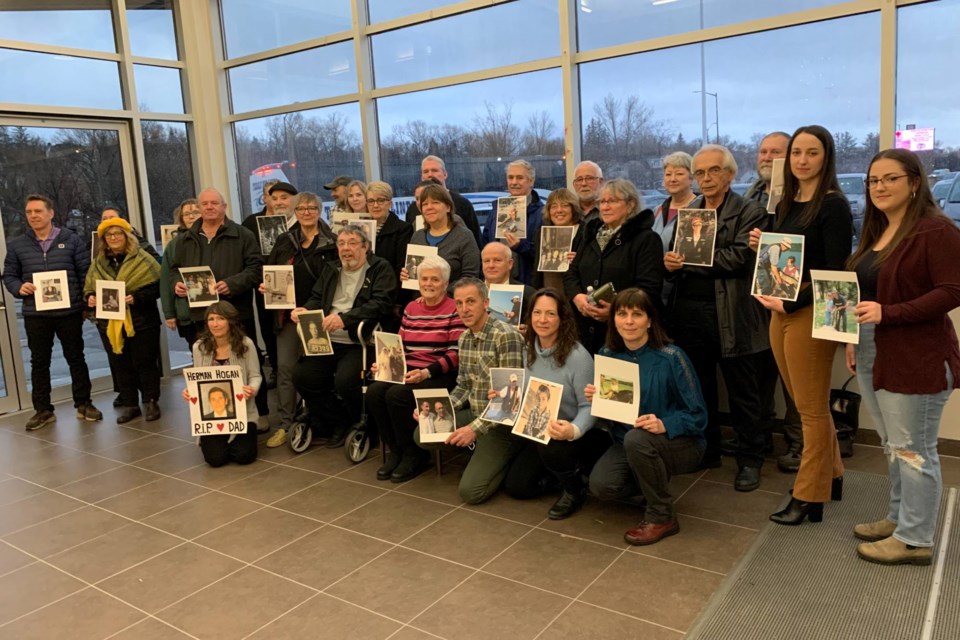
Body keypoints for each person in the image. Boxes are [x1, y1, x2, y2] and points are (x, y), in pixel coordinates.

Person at [843, 149, 960, 564]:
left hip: (918, 355)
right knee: (893, 445)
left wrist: (888, 314)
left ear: (914, 183)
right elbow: (866, 294)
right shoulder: (876, 231)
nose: (879, 187)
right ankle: (899, 517)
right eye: (874, 180)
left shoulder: (934, 230)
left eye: (889, 179)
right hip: (875, 347)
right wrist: (852, 338)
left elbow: (952, 291)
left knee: (914, 448)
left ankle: (915, 539)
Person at [750, 125, 853, 525]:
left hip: (811, 309)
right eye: (796, 154)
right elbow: (786, 257)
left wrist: (791, 300)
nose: (803, 161)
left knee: (809, 409)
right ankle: (834, 474)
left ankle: (809, 496)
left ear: (826, 157)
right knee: (803, 400)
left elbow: (835, 275)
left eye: (812, 153)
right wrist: (765, 244)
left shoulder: (834, 206)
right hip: (780, 308)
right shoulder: (786, 203)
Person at [662, 144, 770, 492]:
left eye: (713, 171)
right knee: (700, 388)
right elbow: (679, 254)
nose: (706, 179)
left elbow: (739, 259)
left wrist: (690, 263)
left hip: (732, 313)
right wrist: (671, 264)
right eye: (701, 173)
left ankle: (750, 460)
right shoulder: (691, 209)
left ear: (730, 174)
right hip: (690, 313)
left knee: (743, 393)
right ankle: (707, 450)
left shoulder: (749, 211)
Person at [587, 288, 707, 545]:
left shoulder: (672, 357)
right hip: (628, 442)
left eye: (637, 314)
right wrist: (597, 399)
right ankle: (653, 481)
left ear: (650, 321)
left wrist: (664, 424)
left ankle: (662, 515)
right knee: (602, 487)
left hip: (680, 442)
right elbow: (613, 416)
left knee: (637, 439)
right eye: (622, 314)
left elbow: (698, 416)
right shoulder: (607, 354)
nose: (628, 321)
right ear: (613, 319)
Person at [415, 278, 525, 504]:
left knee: (471, 493)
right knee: (422, 434)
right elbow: (463, 386)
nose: (464, 309)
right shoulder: (464, 337)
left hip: (501, 424)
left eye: (471, 302)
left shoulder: (506, 336)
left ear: (486, 303)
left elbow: (509, 403)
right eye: (459, 303)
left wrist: (474, 431)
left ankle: (508, 454)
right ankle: (481, 450)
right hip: (475, 413)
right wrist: (439, 408)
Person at [166, 188, 269, 422]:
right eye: (205, 204)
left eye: (214, 203)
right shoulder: (184, 239)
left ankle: (259, 413)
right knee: (205, 365)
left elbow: (256, 269)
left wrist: (231, 284)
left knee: (249, 362)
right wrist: (177, 285)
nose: (209, 207)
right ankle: (213, 417)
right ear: (199, 208)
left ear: (224, 206)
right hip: (200, 315)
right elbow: (173, 270)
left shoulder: (242, 235)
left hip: (236, 312)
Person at [291, 225, 397, 447]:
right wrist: (305, 310)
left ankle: (363, 421)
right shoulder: (331, 269)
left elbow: (381, 303)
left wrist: (345, 318)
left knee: (346, 381)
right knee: (302, 376)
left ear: (365, 247)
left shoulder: (380, 268)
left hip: (359, 341)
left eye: (352, 243)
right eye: (341, 243)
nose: (346, 249)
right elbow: (316, 297)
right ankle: (338, 421)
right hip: (326, 339)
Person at [3, 194, 102, 430]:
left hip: (69, 312)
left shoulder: (71, 240)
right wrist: (19, 287)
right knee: (39, 363)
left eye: (38, 211)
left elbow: (85, 273)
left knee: (76, 359)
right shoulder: (18, 245)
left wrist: (86, 305)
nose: (33, 216)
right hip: (36, 314)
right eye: (29, 212)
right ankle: (43, 410)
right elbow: (9, 276)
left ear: (50, 213)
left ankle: (84, 403)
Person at [262, 191, 339, 447]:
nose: (306, 212)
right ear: (295, 212)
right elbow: (272, 273)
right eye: (301, 208)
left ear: (320, 210)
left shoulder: (333, 242)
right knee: (285, 369)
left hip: (320, 317)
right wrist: (268, 288)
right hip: (288, 316)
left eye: (312, 208)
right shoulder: (284, 241)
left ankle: (320, 420)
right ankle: (286, 423)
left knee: (318, 373)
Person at [518, 289, 602, 519]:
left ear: (562, 318)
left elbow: (590, 406)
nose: (542, 320)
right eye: (537, 312)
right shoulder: (527, 350)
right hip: (539, 431)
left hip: (575, 434)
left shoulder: (578, 357)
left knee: (554, 447)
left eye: (550, 314)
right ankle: (560, 476)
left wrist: (573, 430)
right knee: (519, 487)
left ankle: (575, 489)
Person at [565, 178, 664, 354]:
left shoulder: (646, 239)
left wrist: (617, 310)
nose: (605, 207)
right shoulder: (589, 234)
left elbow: (649, 288)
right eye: (602, 201)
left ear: (631, 205)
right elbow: (571, 273)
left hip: (626, 333)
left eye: (612, 201)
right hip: (584, 329)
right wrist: (577, 297)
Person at [83, 217, 163, 424]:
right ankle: (130, 405)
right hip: (109, 323)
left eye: (118, 233)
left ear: (127, 236)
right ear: (104, 240)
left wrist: (136, 297)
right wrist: (89, 297)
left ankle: (151, 401)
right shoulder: (98, 263)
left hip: (143, 321)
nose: (114, 238)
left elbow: (158, 286)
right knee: (121, 364)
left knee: (145, 363)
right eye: (109, 235)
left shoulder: (143, 259)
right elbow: (90, 288)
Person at [185, 302, 261, 467]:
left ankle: (237, 439)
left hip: (243, 412)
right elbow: (197, 379)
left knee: (244, 457)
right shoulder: (199, 347)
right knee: (215, 460)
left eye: (220, 318)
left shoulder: (246, 344)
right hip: (212, 417)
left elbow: (255, 376)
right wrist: (190, 391)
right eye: (211, 319)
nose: (215, 324)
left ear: (231, 321)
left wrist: (252, 389)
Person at [243, 181, 298, 389]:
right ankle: (275, 367)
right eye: (273, 197)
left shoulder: (299, 221)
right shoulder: (252, 222)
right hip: (265, 284)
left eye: (283, 197)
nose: (278, 202)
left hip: (296, 287)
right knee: (269, 327)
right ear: (265, 198)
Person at [403, 183, 480, 289]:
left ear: (448, 207)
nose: (429, 207)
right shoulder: (417, 236)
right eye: (425, 204)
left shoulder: (464, 236)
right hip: (422, 302)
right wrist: (407, 276)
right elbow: (416, 278)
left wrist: (440, 292)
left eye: (435, 202)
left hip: (454, 301)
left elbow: (470, 277)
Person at [479, 160, 544, 284]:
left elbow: (544, 254)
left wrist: (520, 246)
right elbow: (485, 244)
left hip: (528, 283)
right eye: (510, 177)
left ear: (531, 181)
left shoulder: (542, 214)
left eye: (520, 178)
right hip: (497, 282)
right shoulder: (496, 211)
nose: (514, 182)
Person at [404, 155, 481, 245]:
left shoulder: (462, 203)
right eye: (425, 172)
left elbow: (476, 239)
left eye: (434, 170)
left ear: (445, 174)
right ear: (422, 177)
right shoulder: (413, 208)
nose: (430, 174)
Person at [366, 181, 414, 298]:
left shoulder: (403, 229)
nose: (375, 205)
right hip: (364, 292)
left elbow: (401, 268)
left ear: (390, 204)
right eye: (371, 201)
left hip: (389, 293)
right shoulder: (360, 229)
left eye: (381, 200)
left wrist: (397, 301)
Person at [533, 188, 583, 291]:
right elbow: (537, 272)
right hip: (549, 292)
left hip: (576, 295)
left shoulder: (585, 232)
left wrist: (578, 260)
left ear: (573, 208)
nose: (559, 210)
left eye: (565, 205)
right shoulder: (542, 234)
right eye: (554, 206)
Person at [651, 152, 698, 254]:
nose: (672, 179)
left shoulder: (701, 209)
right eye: (668, 174)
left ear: (691, 179)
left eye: (679, 174)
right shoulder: (657, 211)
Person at [481, 242, 535, 327]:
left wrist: (528, 332)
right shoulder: (471, 291)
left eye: (497, 260)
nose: (491, 265)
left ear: (510, 264)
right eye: (486, 261)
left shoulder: (529, 294)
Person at [572, 160, 604, 225]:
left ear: (600, 182)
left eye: (589, 178)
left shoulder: (610, 209)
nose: (584, 184)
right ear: (574, 185)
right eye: (579, 179)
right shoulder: (568, 211)